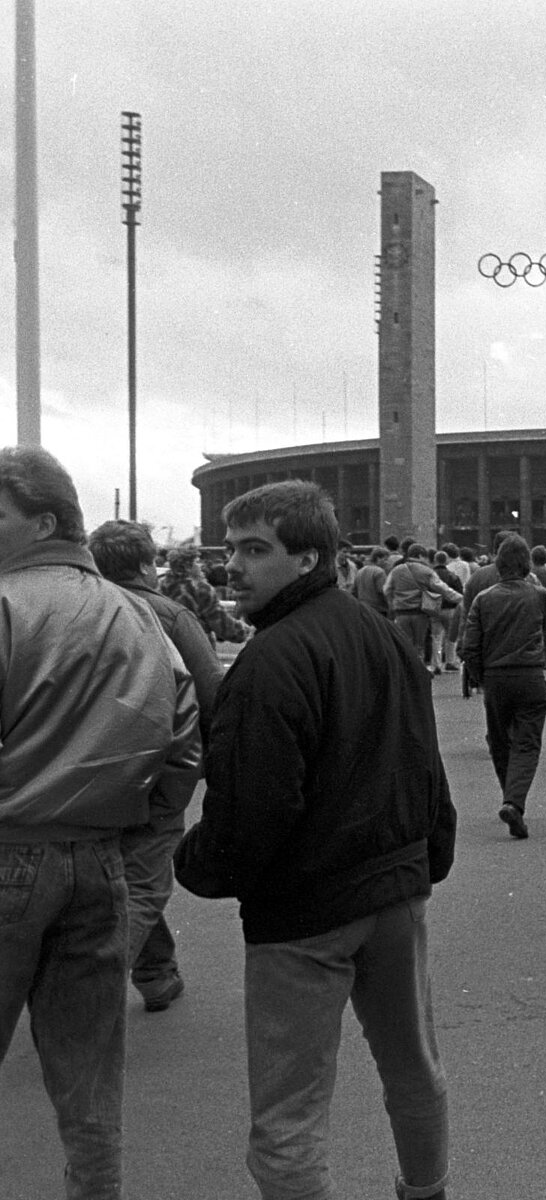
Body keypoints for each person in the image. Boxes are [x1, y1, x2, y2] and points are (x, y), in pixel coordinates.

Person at [174, 480, 456, 1200]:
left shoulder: (271, 661)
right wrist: (428, 854)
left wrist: (194, 862)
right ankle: (427, 1191)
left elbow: (252, 812)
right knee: (411, 1068)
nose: (233, 565)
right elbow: (423, 759)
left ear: (306, 559)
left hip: (304, 911)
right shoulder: (383, 636)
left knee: (288, 1113)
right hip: (393, 888)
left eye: (254, 550)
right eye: (232, 548)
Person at [0, 448, 200, 1198]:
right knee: (89, 1089)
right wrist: (138, 820)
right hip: (101, 860)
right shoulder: (138, 616)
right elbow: (183, 738)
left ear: (42, 521)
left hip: (9, 849)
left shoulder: (8, 604)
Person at [88, 518, 224, 1014]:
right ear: (148, 564)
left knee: (121, 871)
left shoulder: (83, 611)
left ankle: (156, 972)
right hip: (161, 767)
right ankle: (83, 981)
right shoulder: (169, 615)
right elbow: (211, 693)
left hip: (88, 766)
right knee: (145, 877)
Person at [461, 535, 546, 839]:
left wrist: (480, 677)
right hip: (530, 675)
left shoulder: (483, 599)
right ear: (526, 564)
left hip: (496, 677)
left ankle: (509, 796)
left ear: (498, 565)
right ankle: (514, 800)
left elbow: (469, 646)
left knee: (500, 742)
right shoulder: (539, 596)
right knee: (527, 742)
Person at [386, 543, 461, 670]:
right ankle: (418, 671)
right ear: (420, 556)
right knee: (419, 645)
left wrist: (393, 603)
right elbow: (444, 589)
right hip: (419, 613)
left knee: (405, 643)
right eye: (425, 557)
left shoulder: (396, 570)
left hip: (401, 613)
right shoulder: (426, 571)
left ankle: (406, 670)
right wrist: (462, 598)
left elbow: (387, 589)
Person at [351, 545, 393, 615]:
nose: (387, 562)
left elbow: (354, 591)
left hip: (363, 609)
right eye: (385, 559)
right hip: (378, 609)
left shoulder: (360, 571)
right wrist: (390, 605)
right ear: (378, 558)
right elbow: (382, 591)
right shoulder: (379, 572)